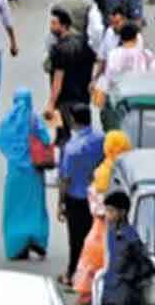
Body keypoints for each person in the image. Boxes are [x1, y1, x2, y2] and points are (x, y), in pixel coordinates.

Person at [75, 131, 135, 302]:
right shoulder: (124, 175)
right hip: (114, 238)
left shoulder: (100, 172)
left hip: (96, 236)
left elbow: (95, 206)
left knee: (89, 289)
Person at [0, 87, 52, 260]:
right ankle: (36, 238)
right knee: (35, 206)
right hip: (34, 173)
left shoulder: (8, 121)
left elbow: (2, 142)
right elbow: (46, 139)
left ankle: (16, 244)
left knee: (15, 208)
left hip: (15, 173)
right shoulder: (34, 120)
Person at [59, 103, 106, 287]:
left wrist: (60, 202)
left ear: (72, 120)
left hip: (76, 198)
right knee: (92, 236)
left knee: (75, 239)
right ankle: (90, 272)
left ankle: (73, 274)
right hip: (95, 197)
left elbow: (65, 179)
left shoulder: (71, 148)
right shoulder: (101, 140)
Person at [47, 10, 98, 143]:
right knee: (84, 136)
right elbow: (94, 63)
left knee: (63, 138)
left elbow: (58, 79)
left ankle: (66, 162)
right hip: (83, 99)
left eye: (54, 23)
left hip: (64, 101)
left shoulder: (58, 49)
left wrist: (51, 103)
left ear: (64, 26)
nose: (51, 27)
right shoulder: (84, 44)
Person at [100, 191, 155, 304]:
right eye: (106, 210)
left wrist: (130, 279)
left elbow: (147, 267)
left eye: (111, 211)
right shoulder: (111, 232)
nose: (107, 214)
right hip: (109, 292)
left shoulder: (131, 236)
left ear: (122, 212)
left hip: (124, 296)